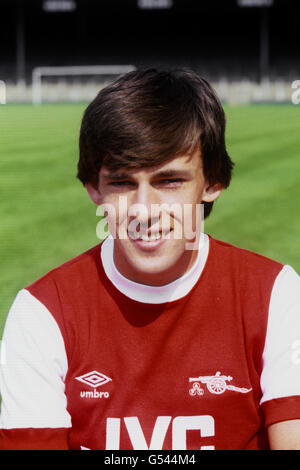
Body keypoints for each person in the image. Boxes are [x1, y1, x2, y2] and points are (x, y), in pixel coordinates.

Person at [1, 68, 300, 450]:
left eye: (169, 181)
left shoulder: (276, 296)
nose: (144, 210)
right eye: (123, 182)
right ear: (94, 187)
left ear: (212, 183)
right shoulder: (41, 314)